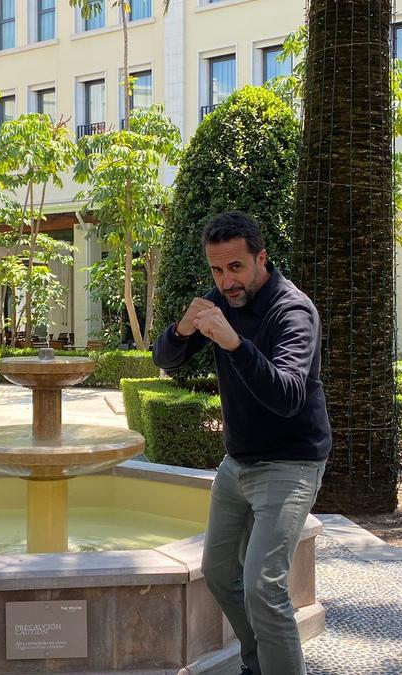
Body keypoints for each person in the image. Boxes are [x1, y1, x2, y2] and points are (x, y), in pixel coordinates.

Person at [153, 210, 331, 675]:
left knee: (263, 587)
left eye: (235, 267)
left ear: (261, 258)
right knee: (219, 574)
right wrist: (183, 329)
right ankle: (258, 664)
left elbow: (289, 395)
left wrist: (235, 345)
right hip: (238, 462)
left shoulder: (292, 311)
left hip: (291, 463)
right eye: (216, 269)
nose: (226, 281)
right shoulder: (221, 299)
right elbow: (165, 359)